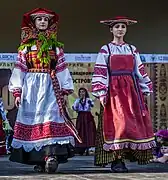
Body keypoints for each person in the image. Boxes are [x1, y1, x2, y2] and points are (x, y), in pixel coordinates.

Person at [8, 8, 81, 173]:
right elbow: (19, 70)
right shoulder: (25, 48)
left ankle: (51, 156)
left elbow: (62, 69)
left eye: (46, 20)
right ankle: (38, 159)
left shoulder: (56, 48)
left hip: (50, 87)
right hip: (32, 88)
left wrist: (64, 91)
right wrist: (17, 92)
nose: (42, 22)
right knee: (34, 122)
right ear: (33, 23)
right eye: (39, 19)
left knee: (50, 118)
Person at [92, 16, 155, 172]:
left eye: (123, 27)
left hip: (131, 90)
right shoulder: (106, 49)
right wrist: (101, 91)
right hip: (114, 91)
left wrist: (144, 88)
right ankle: (116, 160)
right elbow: (101, 70)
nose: (120, 29)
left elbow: (139, 70)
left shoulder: (132, 49)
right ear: (111, 30)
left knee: (130, 124)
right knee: (117, 124)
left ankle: (127, 156)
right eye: (117, 26)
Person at [72, 88, 96, 155]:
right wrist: (78, 102)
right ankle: (80, 148)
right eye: (80, 92)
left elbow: (92, 105)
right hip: (81, 116)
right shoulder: (77, 100)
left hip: (88, 116)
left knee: (88, 131)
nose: (82, 93)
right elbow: (74, 108)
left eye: (83, 92)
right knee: (80, 131)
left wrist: (89, 103)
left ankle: (89, 147)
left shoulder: (89, 100)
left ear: (85, 93)